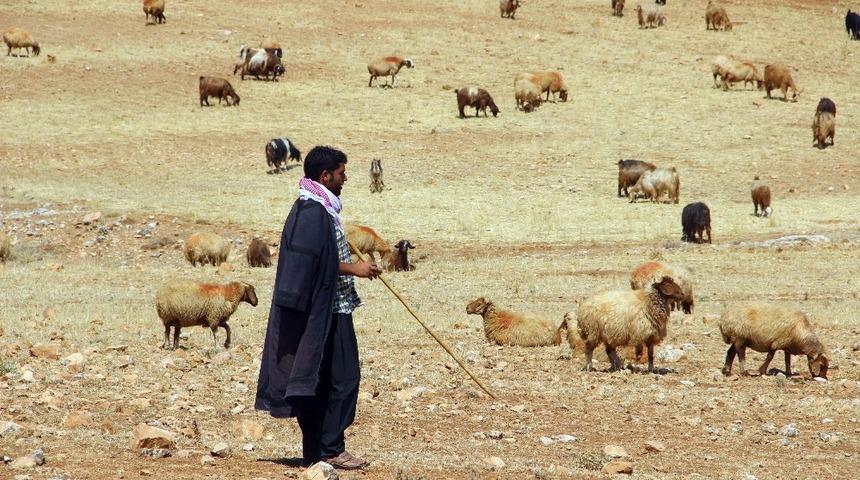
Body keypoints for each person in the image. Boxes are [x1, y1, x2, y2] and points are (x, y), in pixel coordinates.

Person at [255, 146, 381, 470]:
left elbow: (321, 256)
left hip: (329, 308)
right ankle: (331, 448)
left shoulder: (319, 208)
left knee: (323, 380)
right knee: (344, 378)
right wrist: (356, 269)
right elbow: (313, 265)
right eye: (341, 173)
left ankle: (318, 451)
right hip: (328, 311)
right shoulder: (312, 213)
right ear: (325, 176)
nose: (346, 178)